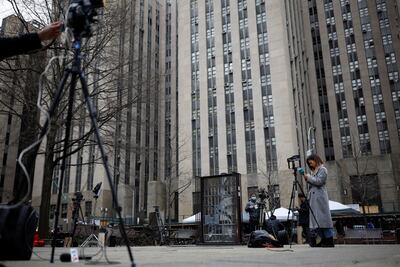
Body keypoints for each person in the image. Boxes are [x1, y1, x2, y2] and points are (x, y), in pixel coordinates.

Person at [302, 154, 335, 247]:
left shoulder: (322, 170)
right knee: (317, 221)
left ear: (315, 160)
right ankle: (323, 240)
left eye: (311, 162)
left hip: (320, 199)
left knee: (323, 220)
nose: (310, 164)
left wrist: (308, 177)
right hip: (314, 199)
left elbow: (319, 181)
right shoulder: (313, 172)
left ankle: (329, 240)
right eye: (309, 163)